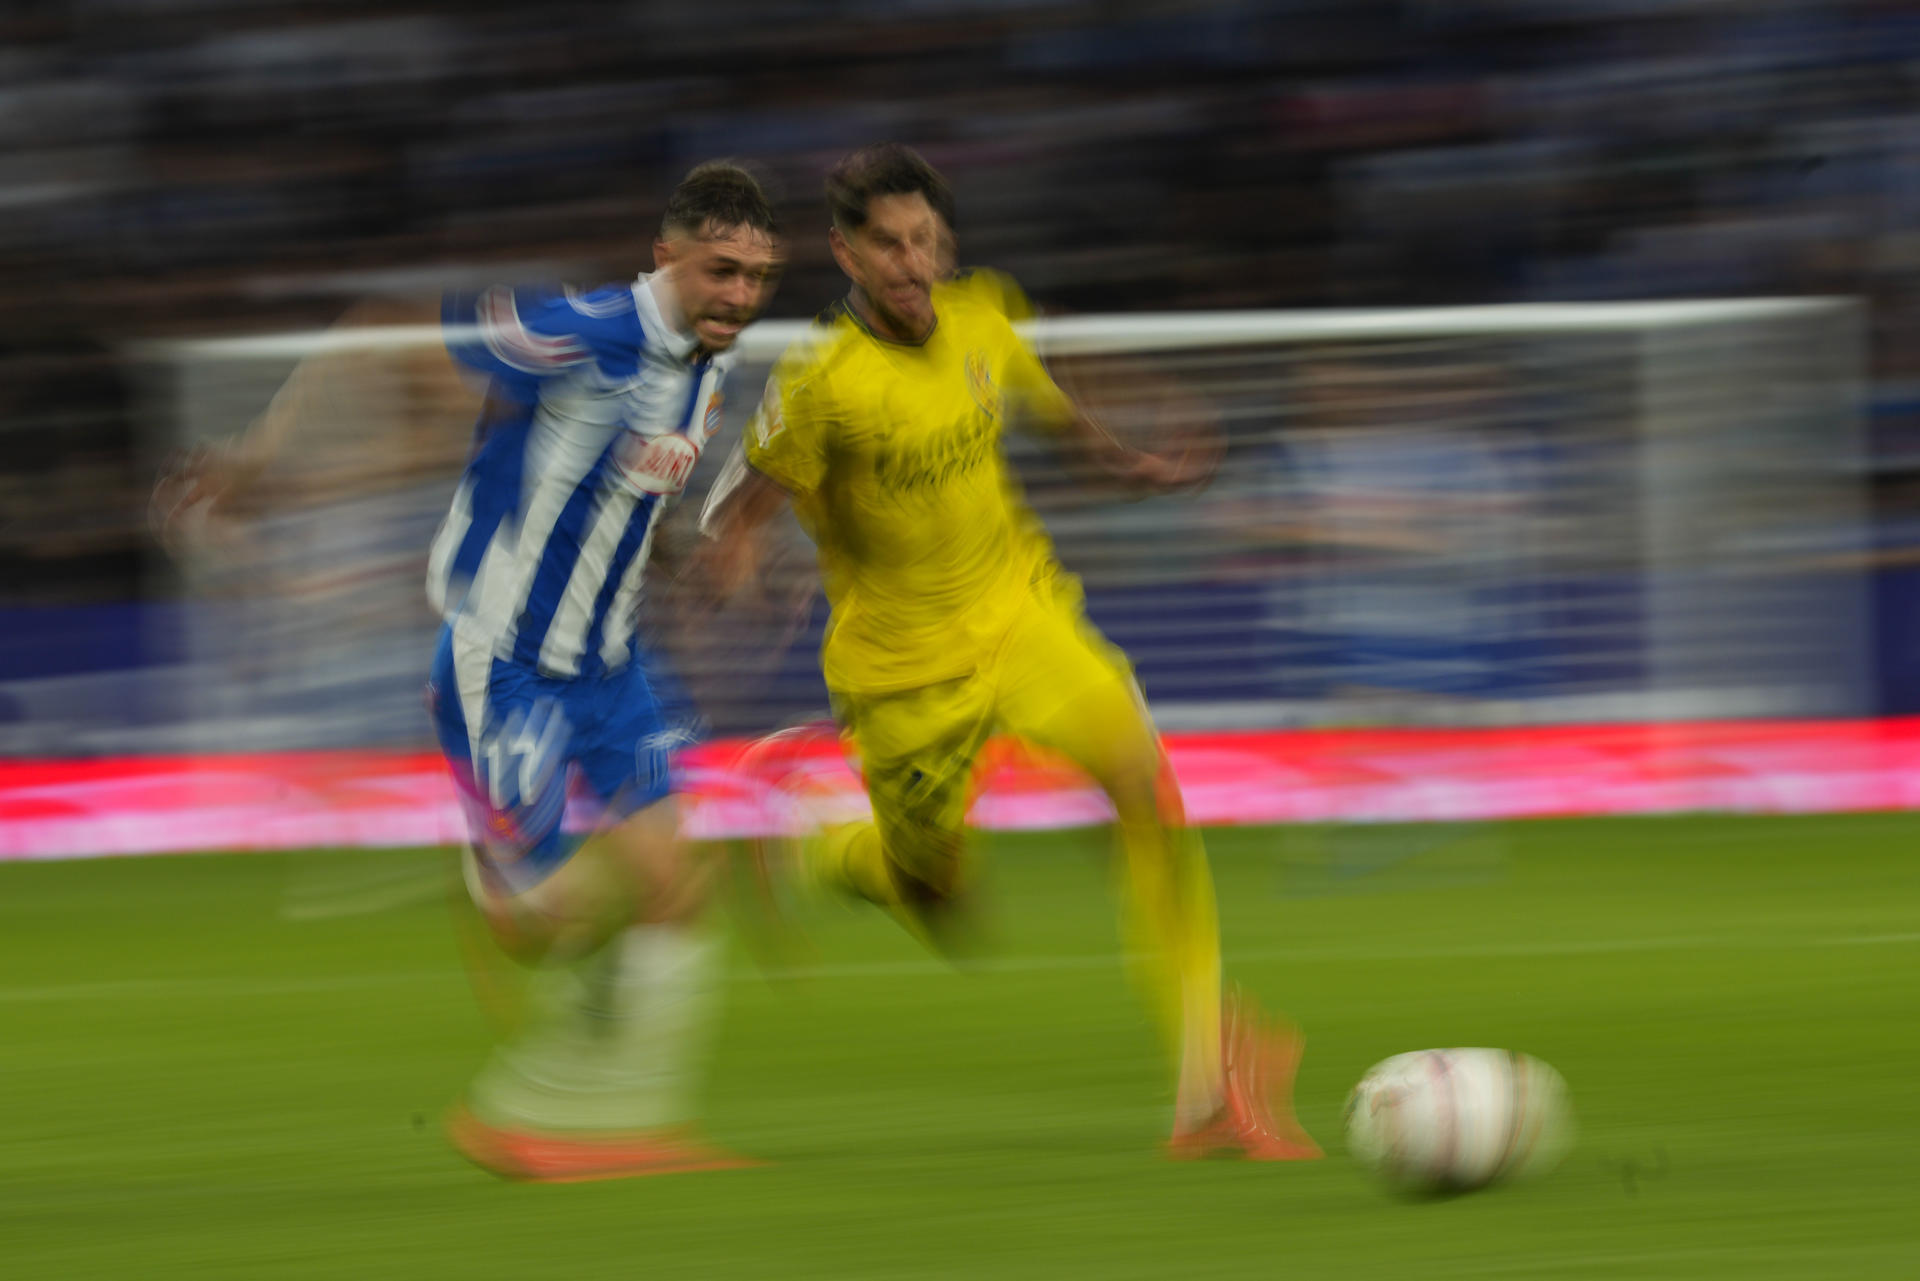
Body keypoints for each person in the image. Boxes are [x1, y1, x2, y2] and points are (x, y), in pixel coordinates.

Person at [154, 160, 785, 1181]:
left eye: (759, 278)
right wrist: (256, 458)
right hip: (506, 665)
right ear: (667, 257)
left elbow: (616, 495)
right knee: (539, 930)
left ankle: (621, 1123)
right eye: (723, 271)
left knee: (680, 888)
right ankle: (496, 889)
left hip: (615, 664)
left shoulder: (704, 365)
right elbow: (380, 333)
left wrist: (697, 564)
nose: (742, 296)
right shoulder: (584, 332)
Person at [700, 143, 1319, 1160]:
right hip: (903, 671)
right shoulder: (823, 382)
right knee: (938, 898)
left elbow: (1060, 422)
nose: (913, 264)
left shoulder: (984, 314)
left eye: (927, 242)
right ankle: (820, 835)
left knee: (1143, 787)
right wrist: (738, 565)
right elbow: (738, 507)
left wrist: (1134, 464)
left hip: (1022, 615)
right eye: (890, 245)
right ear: (846, 253)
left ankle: (1204, 1094)